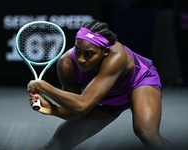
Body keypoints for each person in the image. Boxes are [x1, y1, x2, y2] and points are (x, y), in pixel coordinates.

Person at [27, 20, 171, 150]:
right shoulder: (66, 64)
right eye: (78, 50)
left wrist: (44, 87)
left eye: (89, 53)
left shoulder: (117, 56)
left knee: (146, 132)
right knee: (59, 142)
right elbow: (76, 112)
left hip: (139, 84)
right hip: (106, 96)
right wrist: (52, 109)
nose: (81, 59)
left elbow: (81, 106)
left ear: (105, 52)